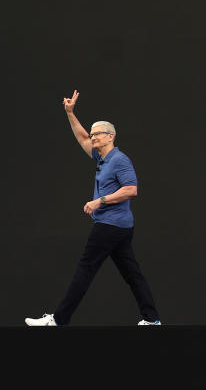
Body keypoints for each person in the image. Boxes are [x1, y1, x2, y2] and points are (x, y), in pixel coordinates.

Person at [25, 90, 162, 326]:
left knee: (84, 270)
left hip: (109, 225)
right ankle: (152, 319)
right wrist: (70, 113)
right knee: (132, 274)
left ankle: (59, 319)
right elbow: (81, 137)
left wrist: (100, 201)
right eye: (93, 134)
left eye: (97, 134)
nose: (93, 137)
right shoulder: (101, 158)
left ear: (110, 136)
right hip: (119, 227)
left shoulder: (120, 160)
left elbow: (131, 189)